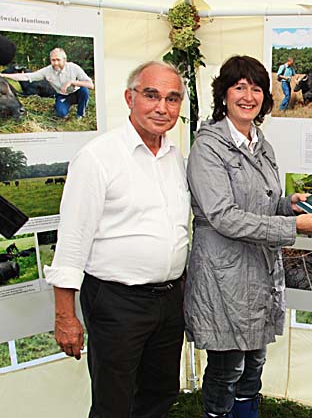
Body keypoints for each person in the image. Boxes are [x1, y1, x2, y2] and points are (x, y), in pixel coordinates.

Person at [185, 55, 312, 418]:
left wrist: (288, 205)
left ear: (265, 96)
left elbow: (259, 204)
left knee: (253, 367)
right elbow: (223, 216)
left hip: (259, 270)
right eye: (239, 87)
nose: (248, 96)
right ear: (224, 94)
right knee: (227, 368)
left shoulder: (262, 144)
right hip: (223, 274)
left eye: (256, 88)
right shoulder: (208, 147)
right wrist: (291, 227)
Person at [44, 61, 190, 417]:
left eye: (172, 99)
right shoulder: (97, 158)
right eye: (151, 95)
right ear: (129, 98)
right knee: (114, 403)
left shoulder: (175, 157)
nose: (162, 107)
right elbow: (72, 241)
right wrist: (65, 316)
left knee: (159, 394)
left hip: (170, 300)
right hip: (117, 302)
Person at [0, 47, 94, 119]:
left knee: (84, 91)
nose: (55, 63)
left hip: (77, 92)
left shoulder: (74, 68)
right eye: (53, 60)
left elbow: (90, 85)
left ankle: (80, 114)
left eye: (58, 60)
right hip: (63, 95)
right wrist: (3, 75)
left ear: (64, 60)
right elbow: (27, 76)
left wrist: (72, 82)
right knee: (61, 114)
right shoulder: (47, 71)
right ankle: (62, 105)